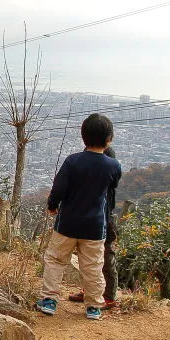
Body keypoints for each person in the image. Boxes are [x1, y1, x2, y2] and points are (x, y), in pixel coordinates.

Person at [35, 113, 122, 321]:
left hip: (67, 223)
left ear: (83, 136)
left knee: (56, 260)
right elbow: (111, 189)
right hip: (95, 227)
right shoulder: (113, 166)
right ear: (109, 139)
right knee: (92, 266)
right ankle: (93, 306)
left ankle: (48, 301)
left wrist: (52, 206)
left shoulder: (73, 161)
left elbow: (58, 189)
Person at [69, 145, 120, 309]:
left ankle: (109, 297)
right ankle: (91, 292)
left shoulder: (106, 180)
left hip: (105, 222)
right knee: (88, 260)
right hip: (90, 222)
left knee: (105, 259)